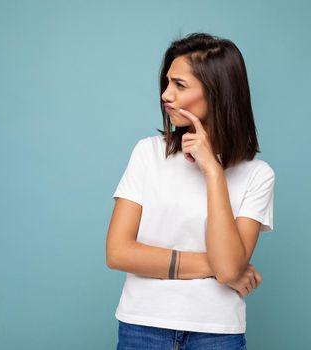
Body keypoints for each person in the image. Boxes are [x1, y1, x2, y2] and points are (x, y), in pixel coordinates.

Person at [106, 32, 276, 350]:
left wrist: (212, 171)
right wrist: (217, 266)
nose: (166, 95)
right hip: (143, 327)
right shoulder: (148, 153)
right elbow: (118, 253)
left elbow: (230, 269)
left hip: (217, 333)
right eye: (167, 83)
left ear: (217, 93)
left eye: (180, 85)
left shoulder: (257, 176)